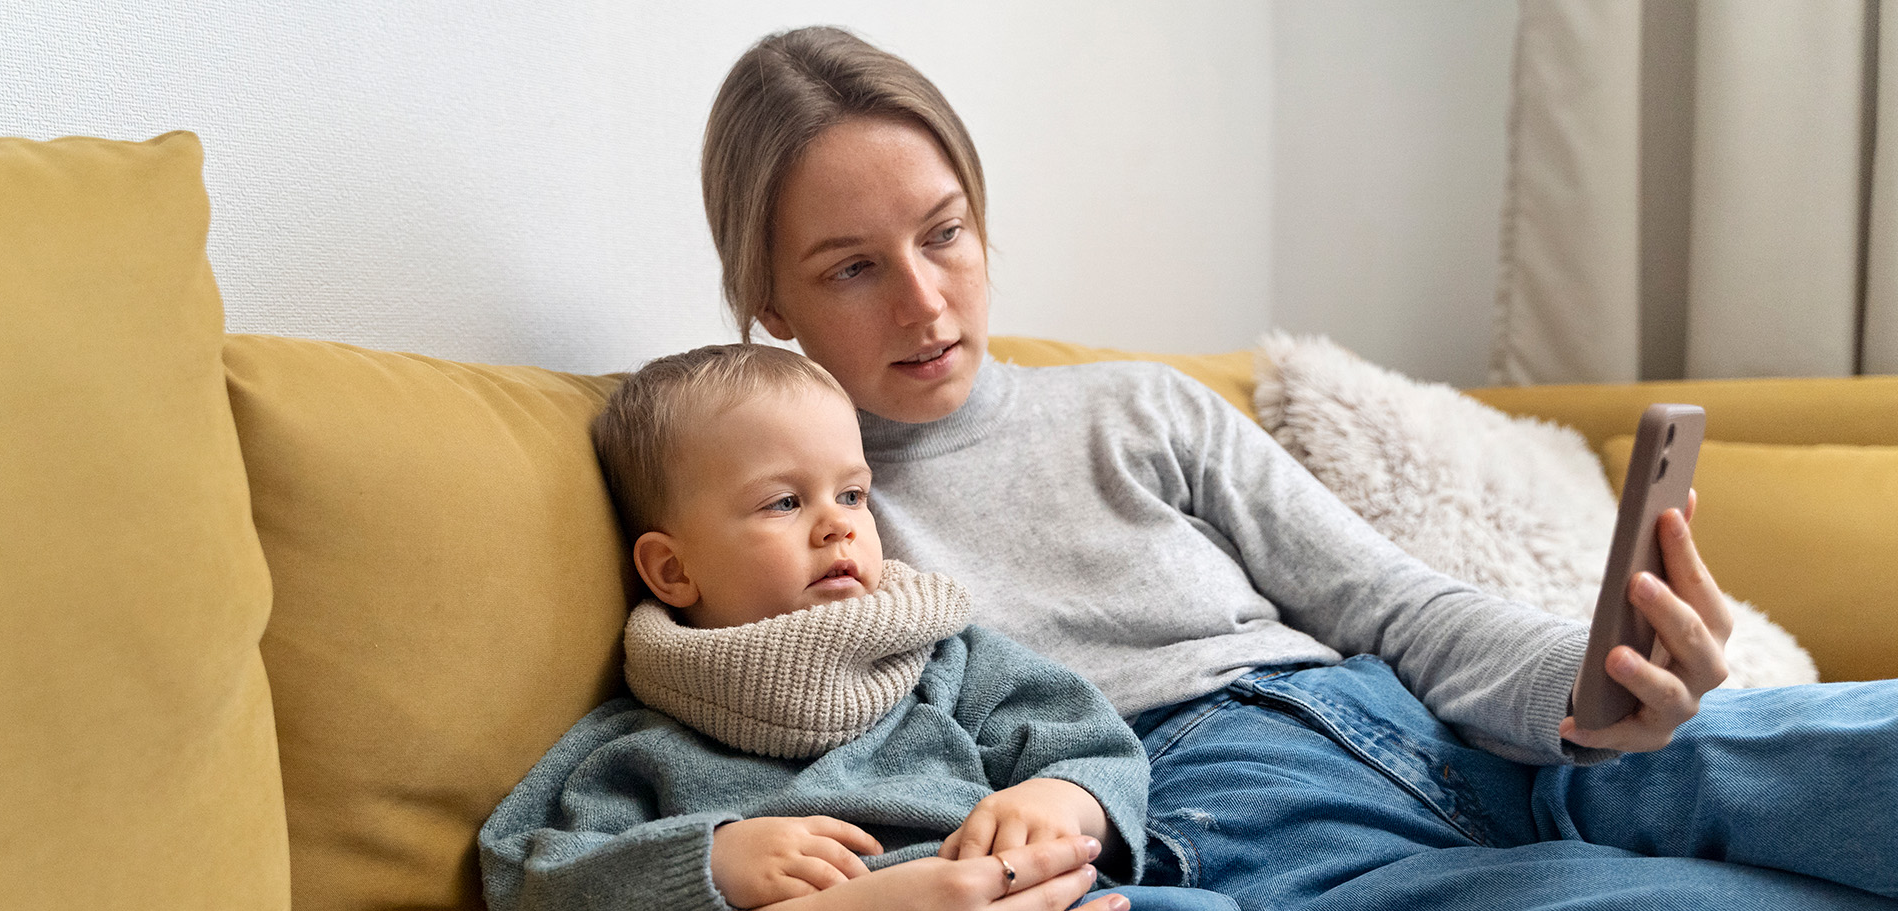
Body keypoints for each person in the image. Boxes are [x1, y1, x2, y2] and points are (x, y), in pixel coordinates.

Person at [695, 25, 1898, 911]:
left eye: (943, 231)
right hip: (1243, 829)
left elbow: (1392, 600)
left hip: (1453, 730)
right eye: (852, 267)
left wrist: (1586, 691)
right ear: (767, 296)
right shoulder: (791, 521)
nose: (924, 299)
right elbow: (712, 774)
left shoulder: (1135, 405)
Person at [479, 344, 1225, 911]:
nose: (838, 522)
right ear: (672, 571)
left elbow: (1091, 740)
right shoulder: (638, 749)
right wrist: (708, 861)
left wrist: (1060, 796)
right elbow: (522, 871)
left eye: (852, 492)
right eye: (783, 502)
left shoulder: (945, 660)